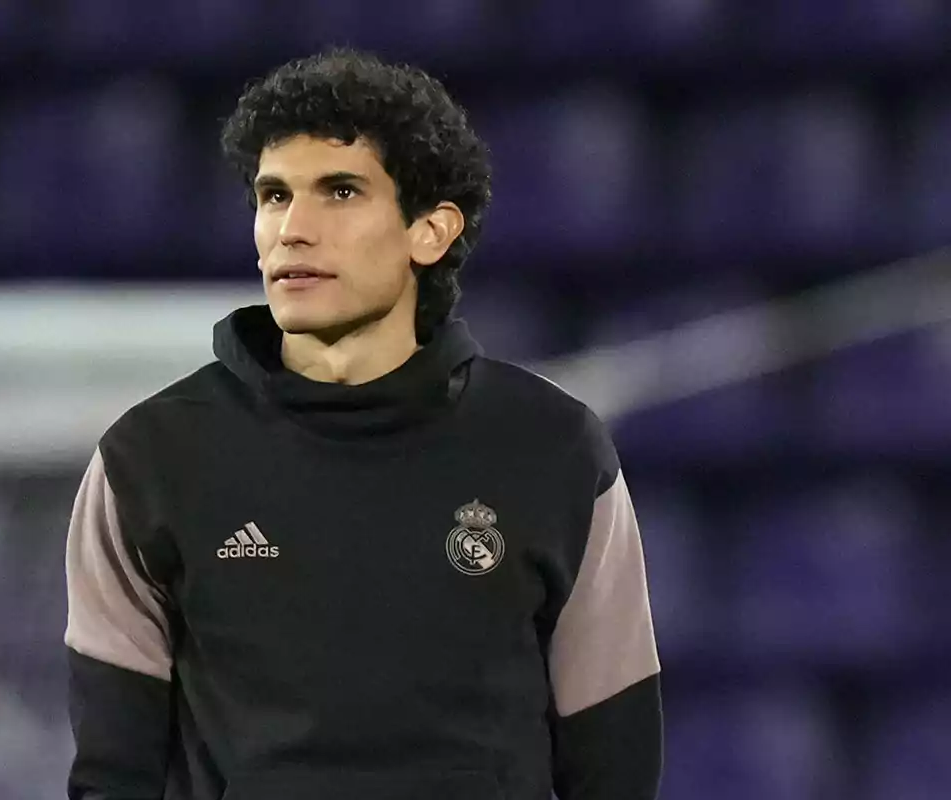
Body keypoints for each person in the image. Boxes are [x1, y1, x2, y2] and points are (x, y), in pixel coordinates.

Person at [64, 47, 662, 800]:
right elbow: (113, 774)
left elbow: (615, 766)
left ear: (431, 231)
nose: (293, 230)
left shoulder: (555, 451)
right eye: (273, 196)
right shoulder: (148, 461)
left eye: (340, 192)